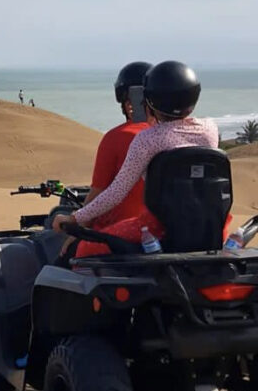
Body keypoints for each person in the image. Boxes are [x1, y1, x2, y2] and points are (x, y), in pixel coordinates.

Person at [52, 61, 218, 257]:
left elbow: (117, 191)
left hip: (156, 230)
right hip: (206, 226)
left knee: (80, 250)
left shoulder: (147, 140)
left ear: (148, 100)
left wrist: (76, 218)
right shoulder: (210, 130)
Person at [79, 61, 152, 225]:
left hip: (119, 236)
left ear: (128, 103)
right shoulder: (175, 135)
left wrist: (75, 224)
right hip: (165, 234)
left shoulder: (117, 137)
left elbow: (98, 194)